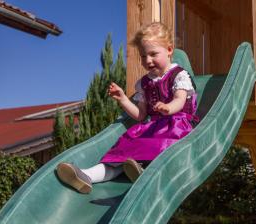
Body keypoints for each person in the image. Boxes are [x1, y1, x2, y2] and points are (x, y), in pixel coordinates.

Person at [56, 22, 198, 194]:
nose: (148, 60)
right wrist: (123, 99)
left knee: (159, 146)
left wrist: (168, 108)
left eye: (153, 54)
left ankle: (145, 172)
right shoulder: (143, 84)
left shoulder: (179, 75)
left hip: (175, 126)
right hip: (151, 127)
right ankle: (87, 176)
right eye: (143, 56)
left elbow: (180, 100)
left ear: (169, 50)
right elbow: (140, 115)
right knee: (122, 153)